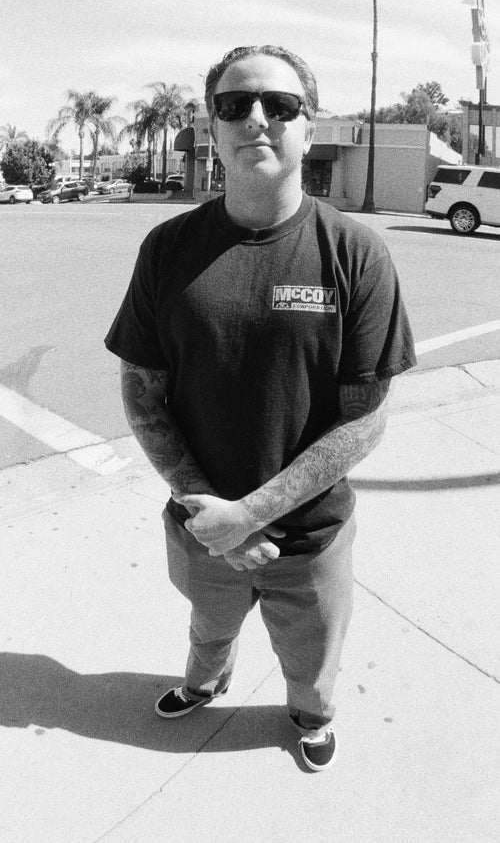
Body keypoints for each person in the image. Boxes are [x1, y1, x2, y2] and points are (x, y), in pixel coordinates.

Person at [105, 44, 416, 772]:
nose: (256, 119)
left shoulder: (355, 254)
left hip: (310, 536)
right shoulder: (167, 249)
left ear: (308, 129)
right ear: (211, 129)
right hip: (200, 526)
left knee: (311, 650)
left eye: (280, 106)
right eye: (234, 104)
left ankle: (310, 714)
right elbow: (142, 389)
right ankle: (204, 683)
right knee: (208, 626)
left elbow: (367, 413)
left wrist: (253, 513)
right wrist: (208, 511)